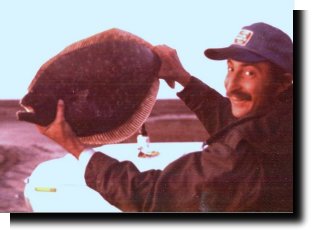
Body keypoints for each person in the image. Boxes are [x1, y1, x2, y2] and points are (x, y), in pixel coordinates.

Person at [37, 22, 293, 212]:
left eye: (249, 74)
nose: (230, 86)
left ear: (283, 83)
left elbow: (150, 196)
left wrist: (76, 148)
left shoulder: (240, 153)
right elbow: (237, 122)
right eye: (230, 69)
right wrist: (183, 79)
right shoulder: (282, 119)